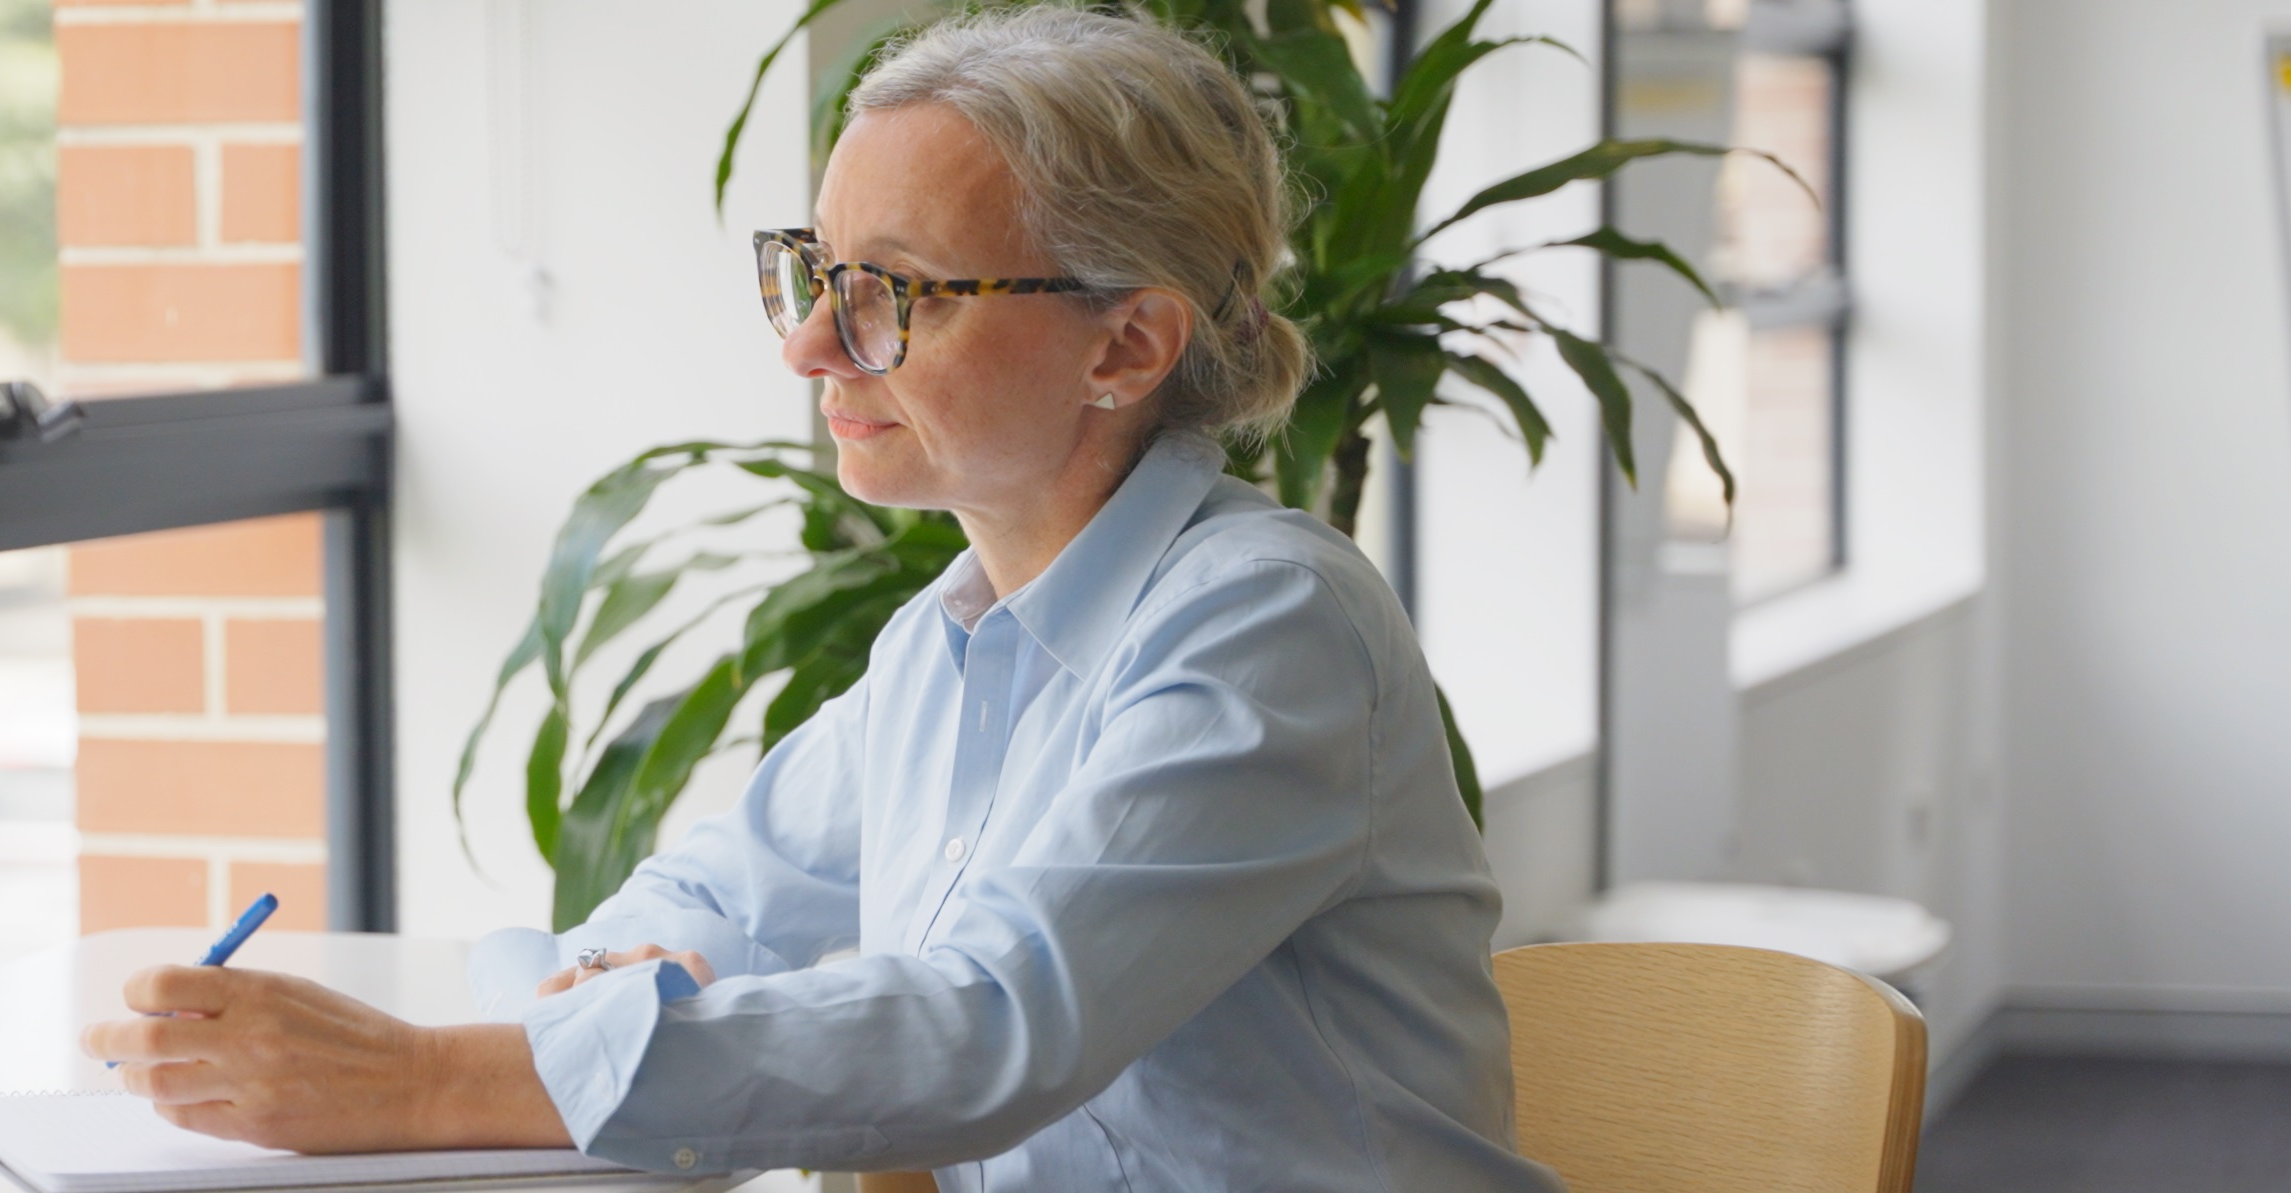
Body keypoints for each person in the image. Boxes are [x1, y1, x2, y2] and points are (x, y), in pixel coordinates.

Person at [81, 9, 1561, 1191]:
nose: (813, 351)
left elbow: (996, 1024)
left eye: (895, 292)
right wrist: (605, 985)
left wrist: (416, 1079)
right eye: (813, 274)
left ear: (1127, 345)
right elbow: (703, 899)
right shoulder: (950, 648)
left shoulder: (1268, 623)